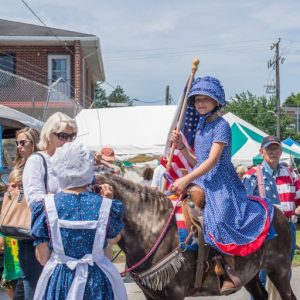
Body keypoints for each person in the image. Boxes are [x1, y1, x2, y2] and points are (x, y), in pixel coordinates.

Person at [170, 76, 274, 295]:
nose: (200, 103)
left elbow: (212, 161)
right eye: (197, 100)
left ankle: (228, 269)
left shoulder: (222, 125)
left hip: (222, 182)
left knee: (217, 218)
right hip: (202, 179)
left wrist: (186, 179)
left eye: (205, 99)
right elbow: (197, 160)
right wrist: (181, 147)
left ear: (216, 101)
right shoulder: (200, 126)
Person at [31, 142, 127, 300]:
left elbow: (43, 258)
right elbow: (113, 239)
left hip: (61, 279)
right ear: (88, 168)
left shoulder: (46, 207)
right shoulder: (105, 204)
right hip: (97, 281)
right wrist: (107, 204)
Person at [22, 112, 77, 300]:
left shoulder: (72, 161)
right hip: (40, 238)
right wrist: (67, 200)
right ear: (49, 136)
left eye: (72, 136)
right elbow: (35, 200)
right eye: (63, 136)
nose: (68, 141)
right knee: (38, 291)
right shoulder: (37, 160)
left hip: (65, 239)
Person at [243, 135, 300, 296]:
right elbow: (244, 206)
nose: (273, 152)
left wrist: (295, 211)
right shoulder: (252, 175)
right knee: (258, 277)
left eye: (276, 148)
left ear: (281, 152)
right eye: (269, 148)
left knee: (283, 275)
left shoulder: (290, 173)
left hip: (287, 228)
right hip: (262, 232)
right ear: (261, 151)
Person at [11, 127, 40, 300]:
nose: (19, 147)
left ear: (34, 143)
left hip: (28, 224)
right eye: (17, 143)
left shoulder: (36, 164)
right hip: (19, 224)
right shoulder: (21, 164)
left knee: (29, 276)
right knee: (26, 276)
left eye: (23, 142)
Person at [0, 169, 24, 300]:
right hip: (10, 272)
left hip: (23, 272)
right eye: (12, 185)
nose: (16, 190)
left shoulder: (27, 211)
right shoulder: (5, 212)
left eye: (19, 186)